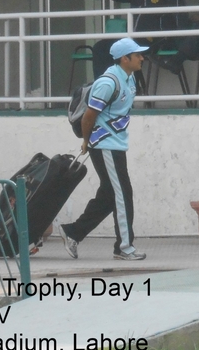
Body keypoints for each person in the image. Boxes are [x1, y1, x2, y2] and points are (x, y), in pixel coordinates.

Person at [60, 38, 149, 261]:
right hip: (105, 146)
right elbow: (89, 116)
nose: (142, 58)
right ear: (124, 58)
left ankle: (73, 232)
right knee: (122, 195)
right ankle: (124, 247)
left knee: (109, 195)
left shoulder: (129, 78)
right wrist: (86, 142)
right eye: (137, 55)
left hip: (115, 145)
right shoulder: (108, 82)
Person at [92, 0, 190, 78]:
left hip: (159, 41)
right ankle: (103, 89)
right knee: (100, 48)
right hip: (134, 38)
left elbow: (180, 16)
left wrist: (180, 45)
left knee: (128, 53)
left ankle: (131, 90)